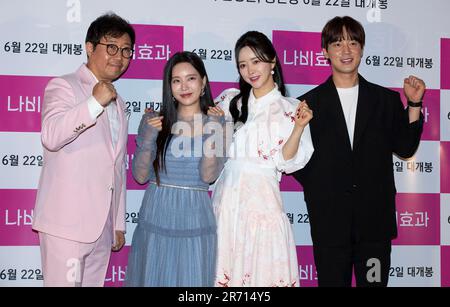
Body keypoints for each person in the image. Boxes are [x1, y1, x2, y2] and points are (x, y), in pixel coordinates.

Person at [292, 16, 426, 287]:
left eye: (353, 43)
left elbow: (405, 147)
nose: (346, 50)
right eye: (338, 43)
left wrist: (413, 103)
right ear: (324, 52)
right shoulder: (308, 104)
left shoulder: (385, 101)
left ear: (362, 49)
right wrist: (324, 188)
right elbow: (297, 160)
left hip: (373, 225)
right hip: (330, 225)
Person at [32, 13, 135, 287]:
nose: (119, 56)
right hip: (66, 225)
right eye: (111, 47)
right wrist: (94, 103)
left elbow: (117, 166)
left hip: (101, 228)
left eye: (126, 50)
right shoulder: (64, 86)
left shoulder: (120, 103)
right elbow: (51, 136)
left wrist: (117, 223)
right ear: (90, 47)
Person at [212, 31, 314, 287]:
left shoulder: (291, 108)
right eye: (243, 65)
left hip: (263, 206)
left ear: (272, 61)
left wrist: (299, 127)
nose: (250, 70)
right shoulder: (230, 102)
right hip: (226, 204)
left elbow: (285, 162)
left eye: (256, 61)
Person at [125, 51, 226, 287]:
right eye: (176, 80)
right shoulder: (154, 121)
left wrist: (214, 131)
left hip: (194, 215)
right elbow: (140, 176)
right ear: (169, 86)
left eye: (191, 78)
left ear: (203, 83)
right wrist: (149, 136)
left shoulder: (218, 122)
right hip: (157, 211)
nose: (184, 86)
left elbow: (208, 176)